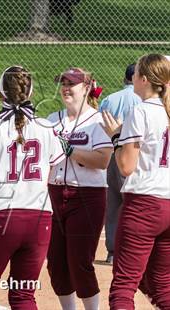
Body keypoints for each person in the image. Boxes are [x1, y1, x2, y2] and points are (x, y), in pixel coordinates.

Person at [0, 66, 65, 309]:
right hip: (39, 217)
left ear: (1, 94)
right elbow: (49, 173)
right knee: (23, 296)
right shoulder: (46, 127)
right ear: (30, 93)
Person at [102, 53, 170, 310]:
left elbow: (126, 167)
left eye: (136, 74)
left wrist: (117, 137)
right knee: (163, 285)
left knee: (123, 287)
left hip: (144, 204)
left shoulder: (141, 112)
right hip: (167, 202)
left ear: (142, 79)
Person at [46, 67, 113, 310]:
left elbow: (103, 160)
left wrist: (71, 151)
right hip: (54, 195)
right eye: (62, 82)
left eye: (71, 83)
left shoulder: (97, 120)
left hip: (87, 196)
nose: (65, 87)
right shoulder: (52, 120)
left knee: (80, 262)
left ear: (86, 88)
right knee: (55, 263)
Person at [99, 63, 142, 264]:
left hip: (112, 153)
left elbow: (101, 127)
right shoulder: (145, 99)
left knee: (114, 202)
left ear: (124, 78)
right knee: (136, 203)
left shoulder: (110, 99)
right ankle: (135, 249)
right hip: (136, 155)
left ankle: (112, 252)